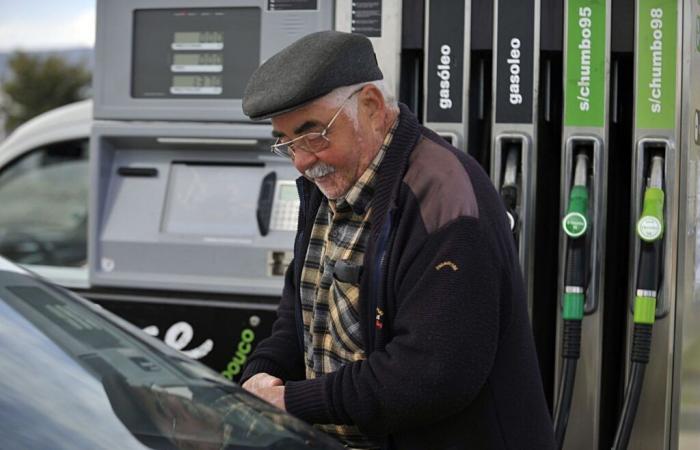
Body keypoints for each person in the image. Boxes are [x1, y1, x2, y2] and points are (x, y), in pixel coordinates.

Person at [239, 30, 555, 450]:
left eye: (313, 134)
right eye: (286, 142)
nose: (301, 162)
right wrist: (260, 376)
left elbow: (431, 373)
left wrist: (292, 400)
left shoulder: (445, 199)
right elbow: (299, 314)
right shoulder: (328, 181)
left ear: (370, 105)